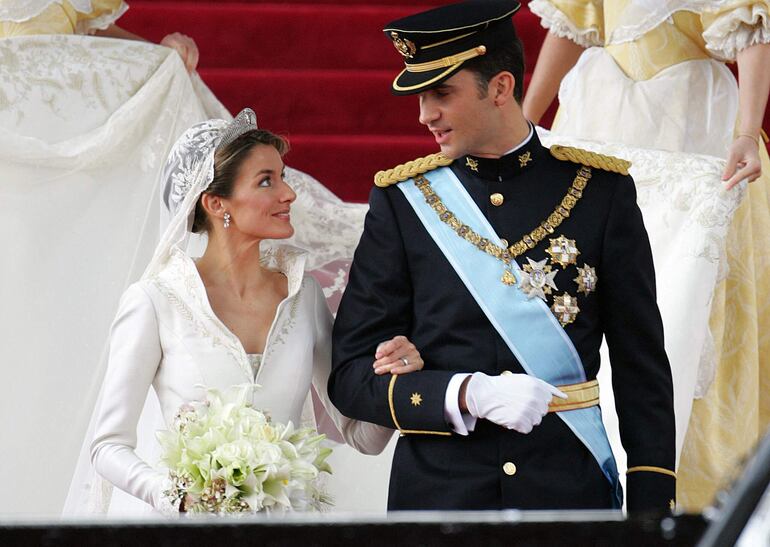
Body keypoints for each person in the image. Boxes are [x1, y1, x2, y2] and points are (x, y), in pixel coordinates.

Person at [329, 0, 675, 512]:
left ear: (500, 87)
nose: (426, 115)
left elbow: (640, 368)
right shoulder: (404, 202)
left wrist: (651, 507)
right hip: (439, 499)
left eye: (441, 93)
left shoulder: (599, 193)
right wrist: (461, 392)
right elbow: (351, 377)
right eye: (421, 96)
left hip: (567, 491)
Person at [87, 109, 425, 513]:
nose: (289, 194)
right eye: (267, 181)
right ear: (215, 203)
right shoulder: (155, 301)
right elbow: (108, 446)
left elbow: (360, 436)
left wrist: (395, 379)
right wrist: (176, 494)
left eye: (283, 176)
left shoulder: (304, 296)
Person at [524, 0, 770, 510]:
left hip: (691, 120)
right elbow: (576, 23)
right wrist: (522, 126)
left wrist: (747, 129)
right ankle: (581, 462)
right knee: (580, 287)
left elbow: (750, 26)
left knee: (684, 299)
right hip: (598, 113)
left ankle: (694, 483)